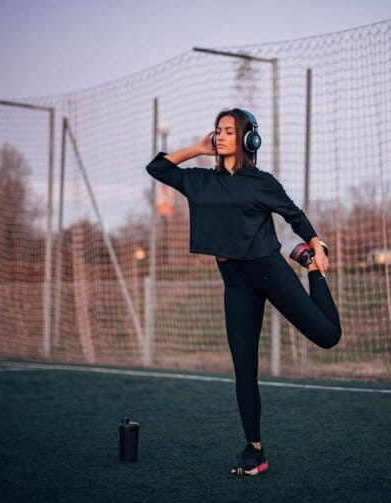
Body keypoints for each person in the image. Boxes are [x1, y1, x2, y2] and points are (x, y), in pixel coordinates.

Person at [145, 108, 341, 476]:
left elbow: (293, 215)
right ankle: (255, 451)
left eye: (228, 132)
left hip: (267, 269)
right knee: (243, 368)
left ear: (248, 139)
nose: (220, 137)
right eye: (217, 131)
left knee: (328, 336)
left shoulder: (260, 182)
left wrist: (314, 244)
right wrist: (197, 149)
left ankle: (311, 269)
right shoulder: (201, 180)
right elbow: (157, 169)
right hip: (234, 281)